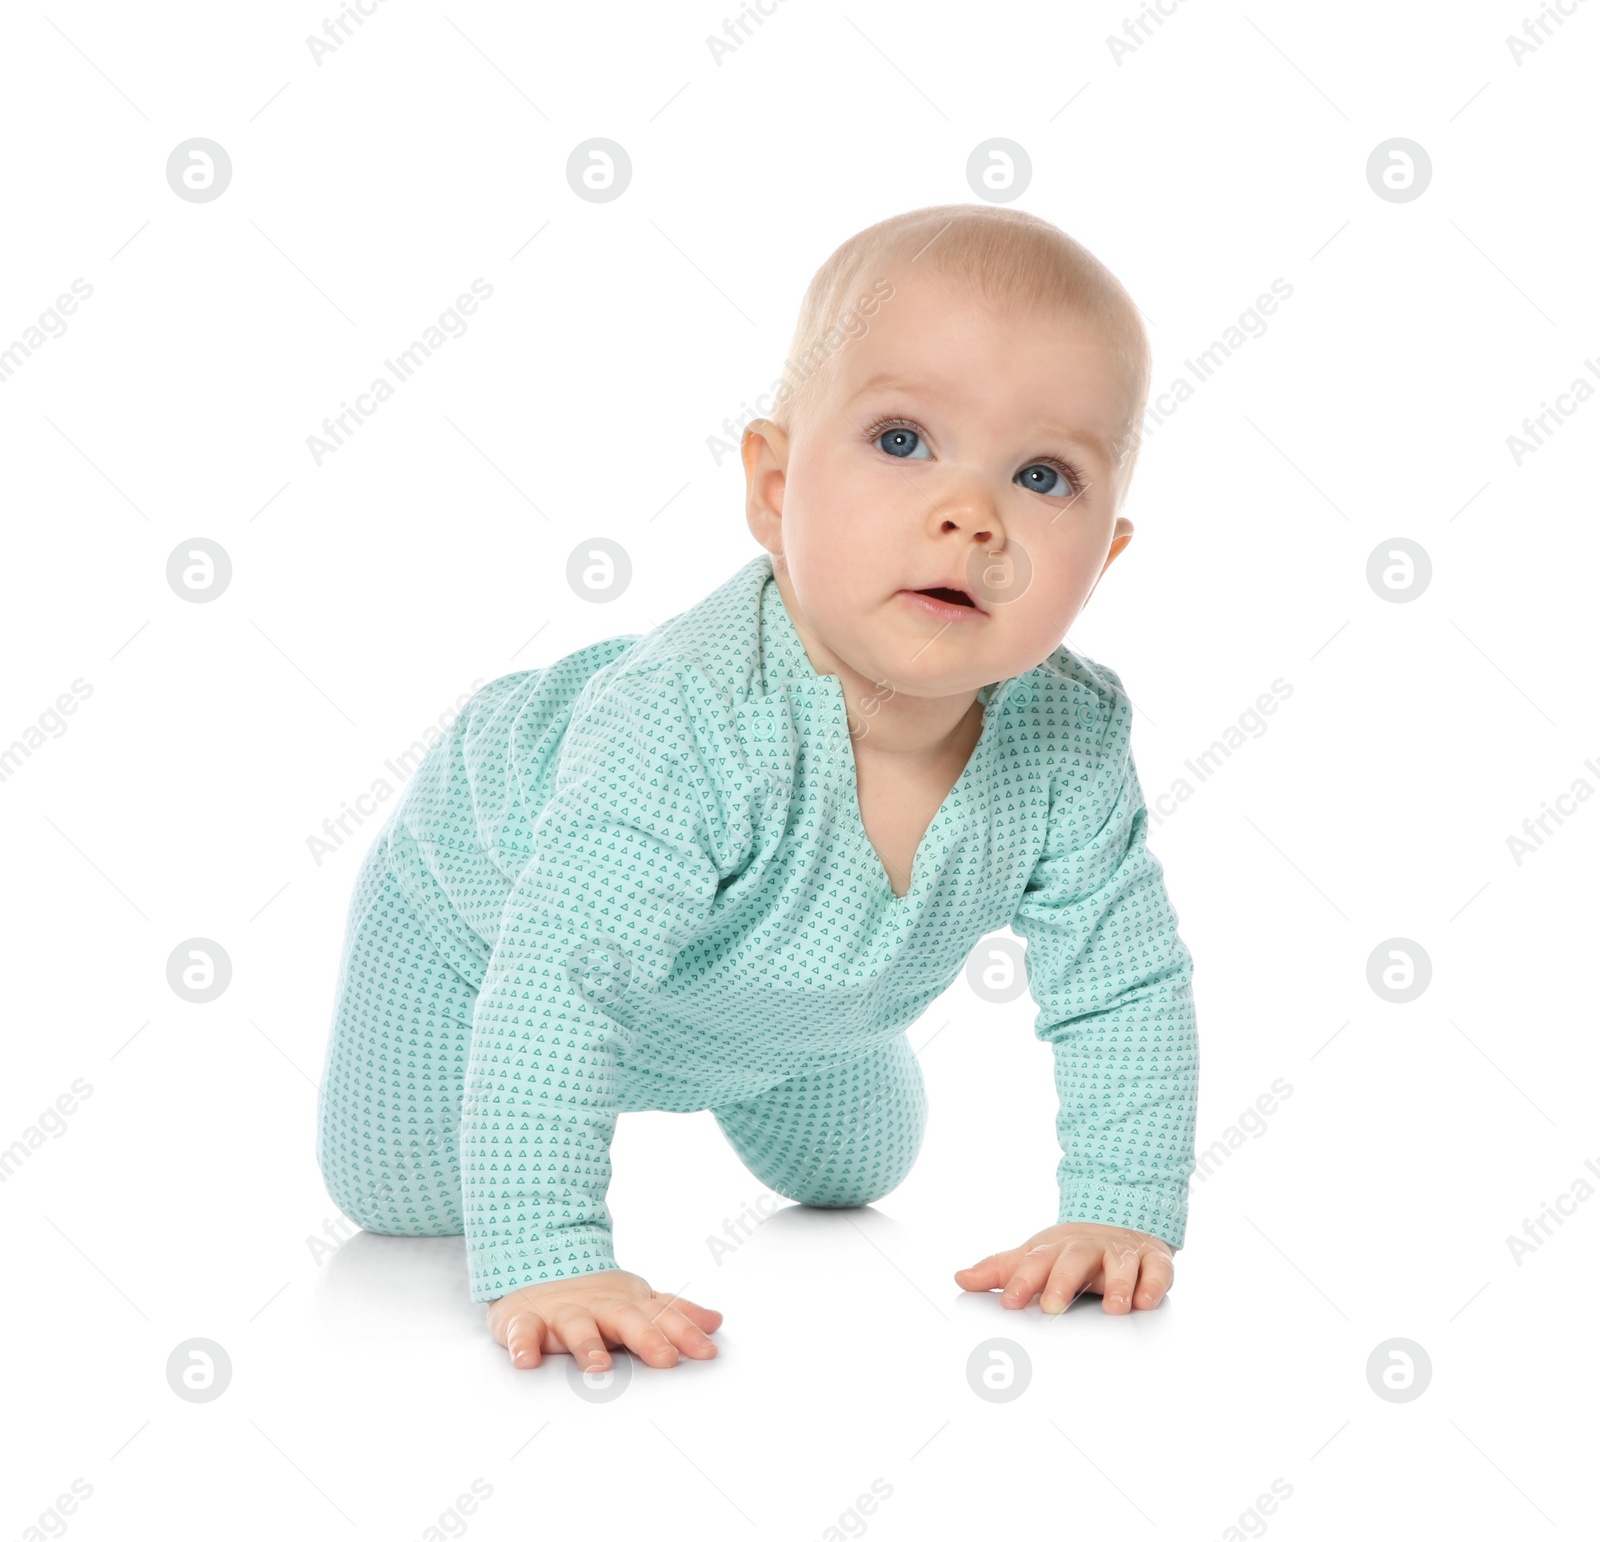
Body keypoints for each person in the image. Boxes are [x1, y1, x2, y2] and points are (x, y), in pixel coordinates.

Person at [315, 202, 1199, 1372]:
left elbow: (1122, 987)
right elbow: (560, 986)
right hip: (483, 933)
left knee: (856, 1173)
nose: (968, 515)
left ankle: (798, 1027)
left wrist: (1119, 1211)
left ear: (1106, 558)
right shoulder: (682, 722)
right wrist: (552, 1258)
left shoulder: (1070, 742)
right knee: (403, 1199)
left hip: (778, 992)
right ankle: (555, 1122)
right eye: (900, 441)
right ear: (773, 487)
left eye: (1043, 475)